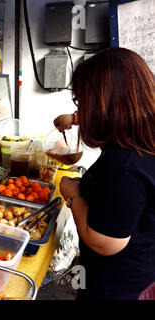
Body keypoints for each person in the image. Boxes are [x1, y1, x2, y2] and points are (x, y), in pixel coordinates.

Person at [54, 47, 155, 300]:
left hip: (117, 286)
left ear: (102, 103)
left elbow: (104, 241)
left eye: (81, 101)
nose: (80, 108)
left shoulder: (125, 165)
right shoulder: (144, 132)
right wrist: (75, 117)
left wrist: (73, 194)